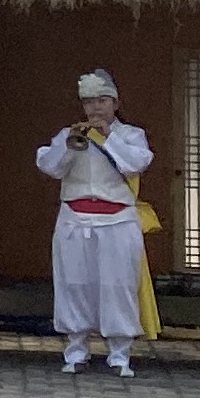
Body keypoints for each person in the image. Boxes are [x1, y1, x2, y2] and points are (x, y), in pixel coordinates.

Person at [37, 70, 156, 374]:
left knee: (117, 286)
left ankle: (119, 353)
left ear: (114, 102)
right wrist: (67, 143)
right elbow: (50, 166)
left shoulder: (131, 135)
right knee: (73, 284)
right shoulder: (72, 132)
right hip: (75, 220)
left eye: (102, 100)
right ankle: (75, 350)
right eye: (89, 102)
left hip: (117, 221)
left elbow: (134, 163)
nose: (96, 108)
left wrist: (107, 137)